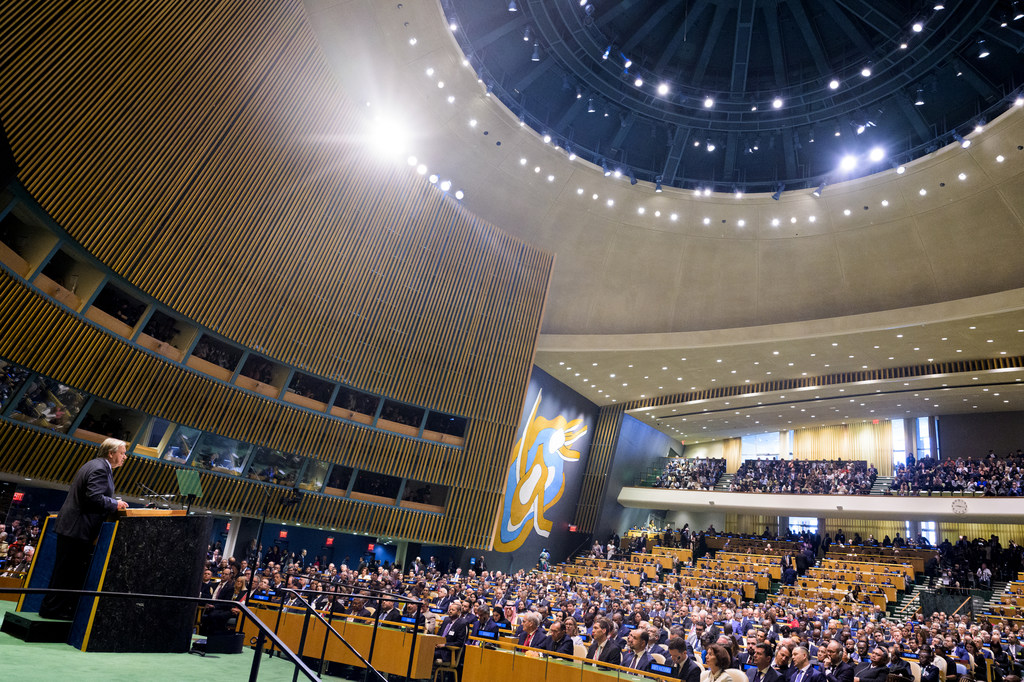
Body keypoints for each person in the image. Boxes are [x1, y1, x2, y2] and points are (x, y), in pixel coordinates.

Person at [39, 438, 129, 620]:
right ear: (111, 453)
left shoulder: (94, 465)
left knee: (64, 572)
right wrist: (115, 503)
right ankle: (55, 611)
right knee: (67, 573)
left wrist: (112, 501)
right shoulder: (100, 468)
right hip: (78, 529)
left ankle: (52, 609)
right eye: (122, 453)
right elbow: (93, 498)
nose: (125, 457)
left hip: (75, 528)